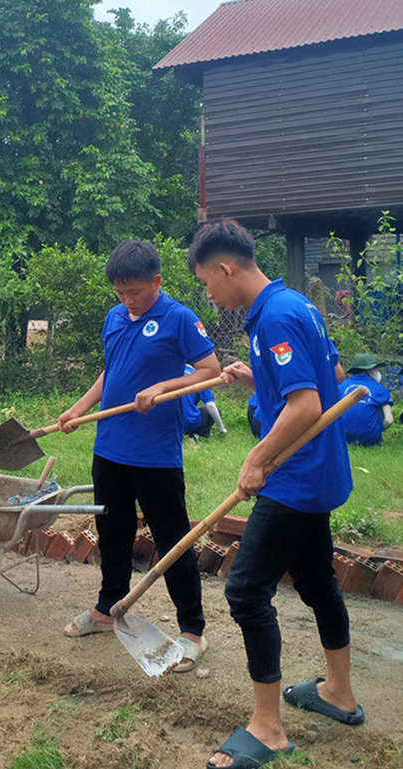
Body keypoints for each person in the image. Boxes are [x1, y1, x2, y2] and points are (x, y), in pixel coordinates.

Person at [188, 220, 362, 769]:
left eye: (207, 284)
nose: (209, 295)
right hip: (318, 473)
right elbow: (327, 372)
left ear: (227, 268)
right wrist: (258, 381)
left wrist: (255, 458)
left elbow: (307, 405)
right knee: (315, 581)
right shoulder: (292, 305)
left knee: (244, 592)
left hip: (294, 477)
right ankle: (339, 692)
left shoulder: (276, 317)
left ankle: (267, 729)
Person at [56, 239, 221, 672]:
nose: (127, 300)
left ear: (157, 282)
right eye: (121, 293)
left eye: (135, 292)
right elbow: (112, 369)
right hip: (110, 447)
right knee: (112, 532)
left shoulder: (179, 318)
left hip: (156, 455)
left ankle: (191, 631)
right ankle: (107, 608)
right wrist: (80, 407)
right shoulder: (115, 317)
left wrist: (163, 388)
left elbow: (211, 370)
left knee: (172, 540)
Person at [340, 353, 394, 446]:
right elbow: (389, 420)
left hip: (340, 436)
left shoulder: (339, 385)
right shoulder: (380, 389)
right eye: (375, 368)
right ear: (369, 370)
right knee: (381, 402)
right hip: (369, 438)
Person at [182, 362, 227, 439]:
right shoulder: (199, 377)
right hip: (190, 422)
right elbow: (210, 405)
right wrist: (221, 427)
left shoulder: (171, 376)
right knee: (210, 411)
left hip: (170, 424)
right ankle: (196, 435)